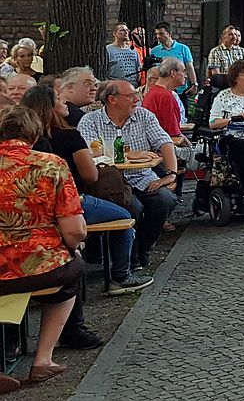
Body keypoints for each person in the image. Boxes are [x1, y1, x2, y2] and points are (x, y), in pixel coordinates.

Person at [21, 86, 150, 356]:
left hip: (28, 227)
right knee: (124, 216)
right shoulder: (68, 138)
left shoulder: (26, 145)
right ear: (49, 106)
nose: (64, 102)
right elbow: (90, 177)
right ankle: (120, 275)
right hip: (67, 207)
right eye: (58, 99)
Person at [0, 106, 87, 391]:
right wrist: (73, 247)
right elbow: (74, 230)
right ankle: (43, 359)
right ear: (35, 134)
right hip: (41, 265)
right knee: (73, 270)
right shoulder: (51, 164)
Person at [77, 81, 177, 270]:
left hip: (142, 176)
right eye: (130, 96)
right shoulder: (90, 121)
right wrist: (129, 154)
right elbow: (91, 153)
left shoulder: (144, 116)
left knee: (164, 199)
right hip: (111, 183)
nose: (136, 99)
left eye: (135, 94)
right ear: (112, 99)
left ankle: (143, 248)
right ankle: (127, 259)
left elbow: (165, 143)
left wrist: (171, 174)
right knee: (134, 208)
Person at [140, 57, 190, 147]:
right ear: (173, 73)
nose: (186, 75)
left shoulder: (154, 92)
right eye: (183, 71)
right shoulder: (164, 95)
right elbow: (173, 133)